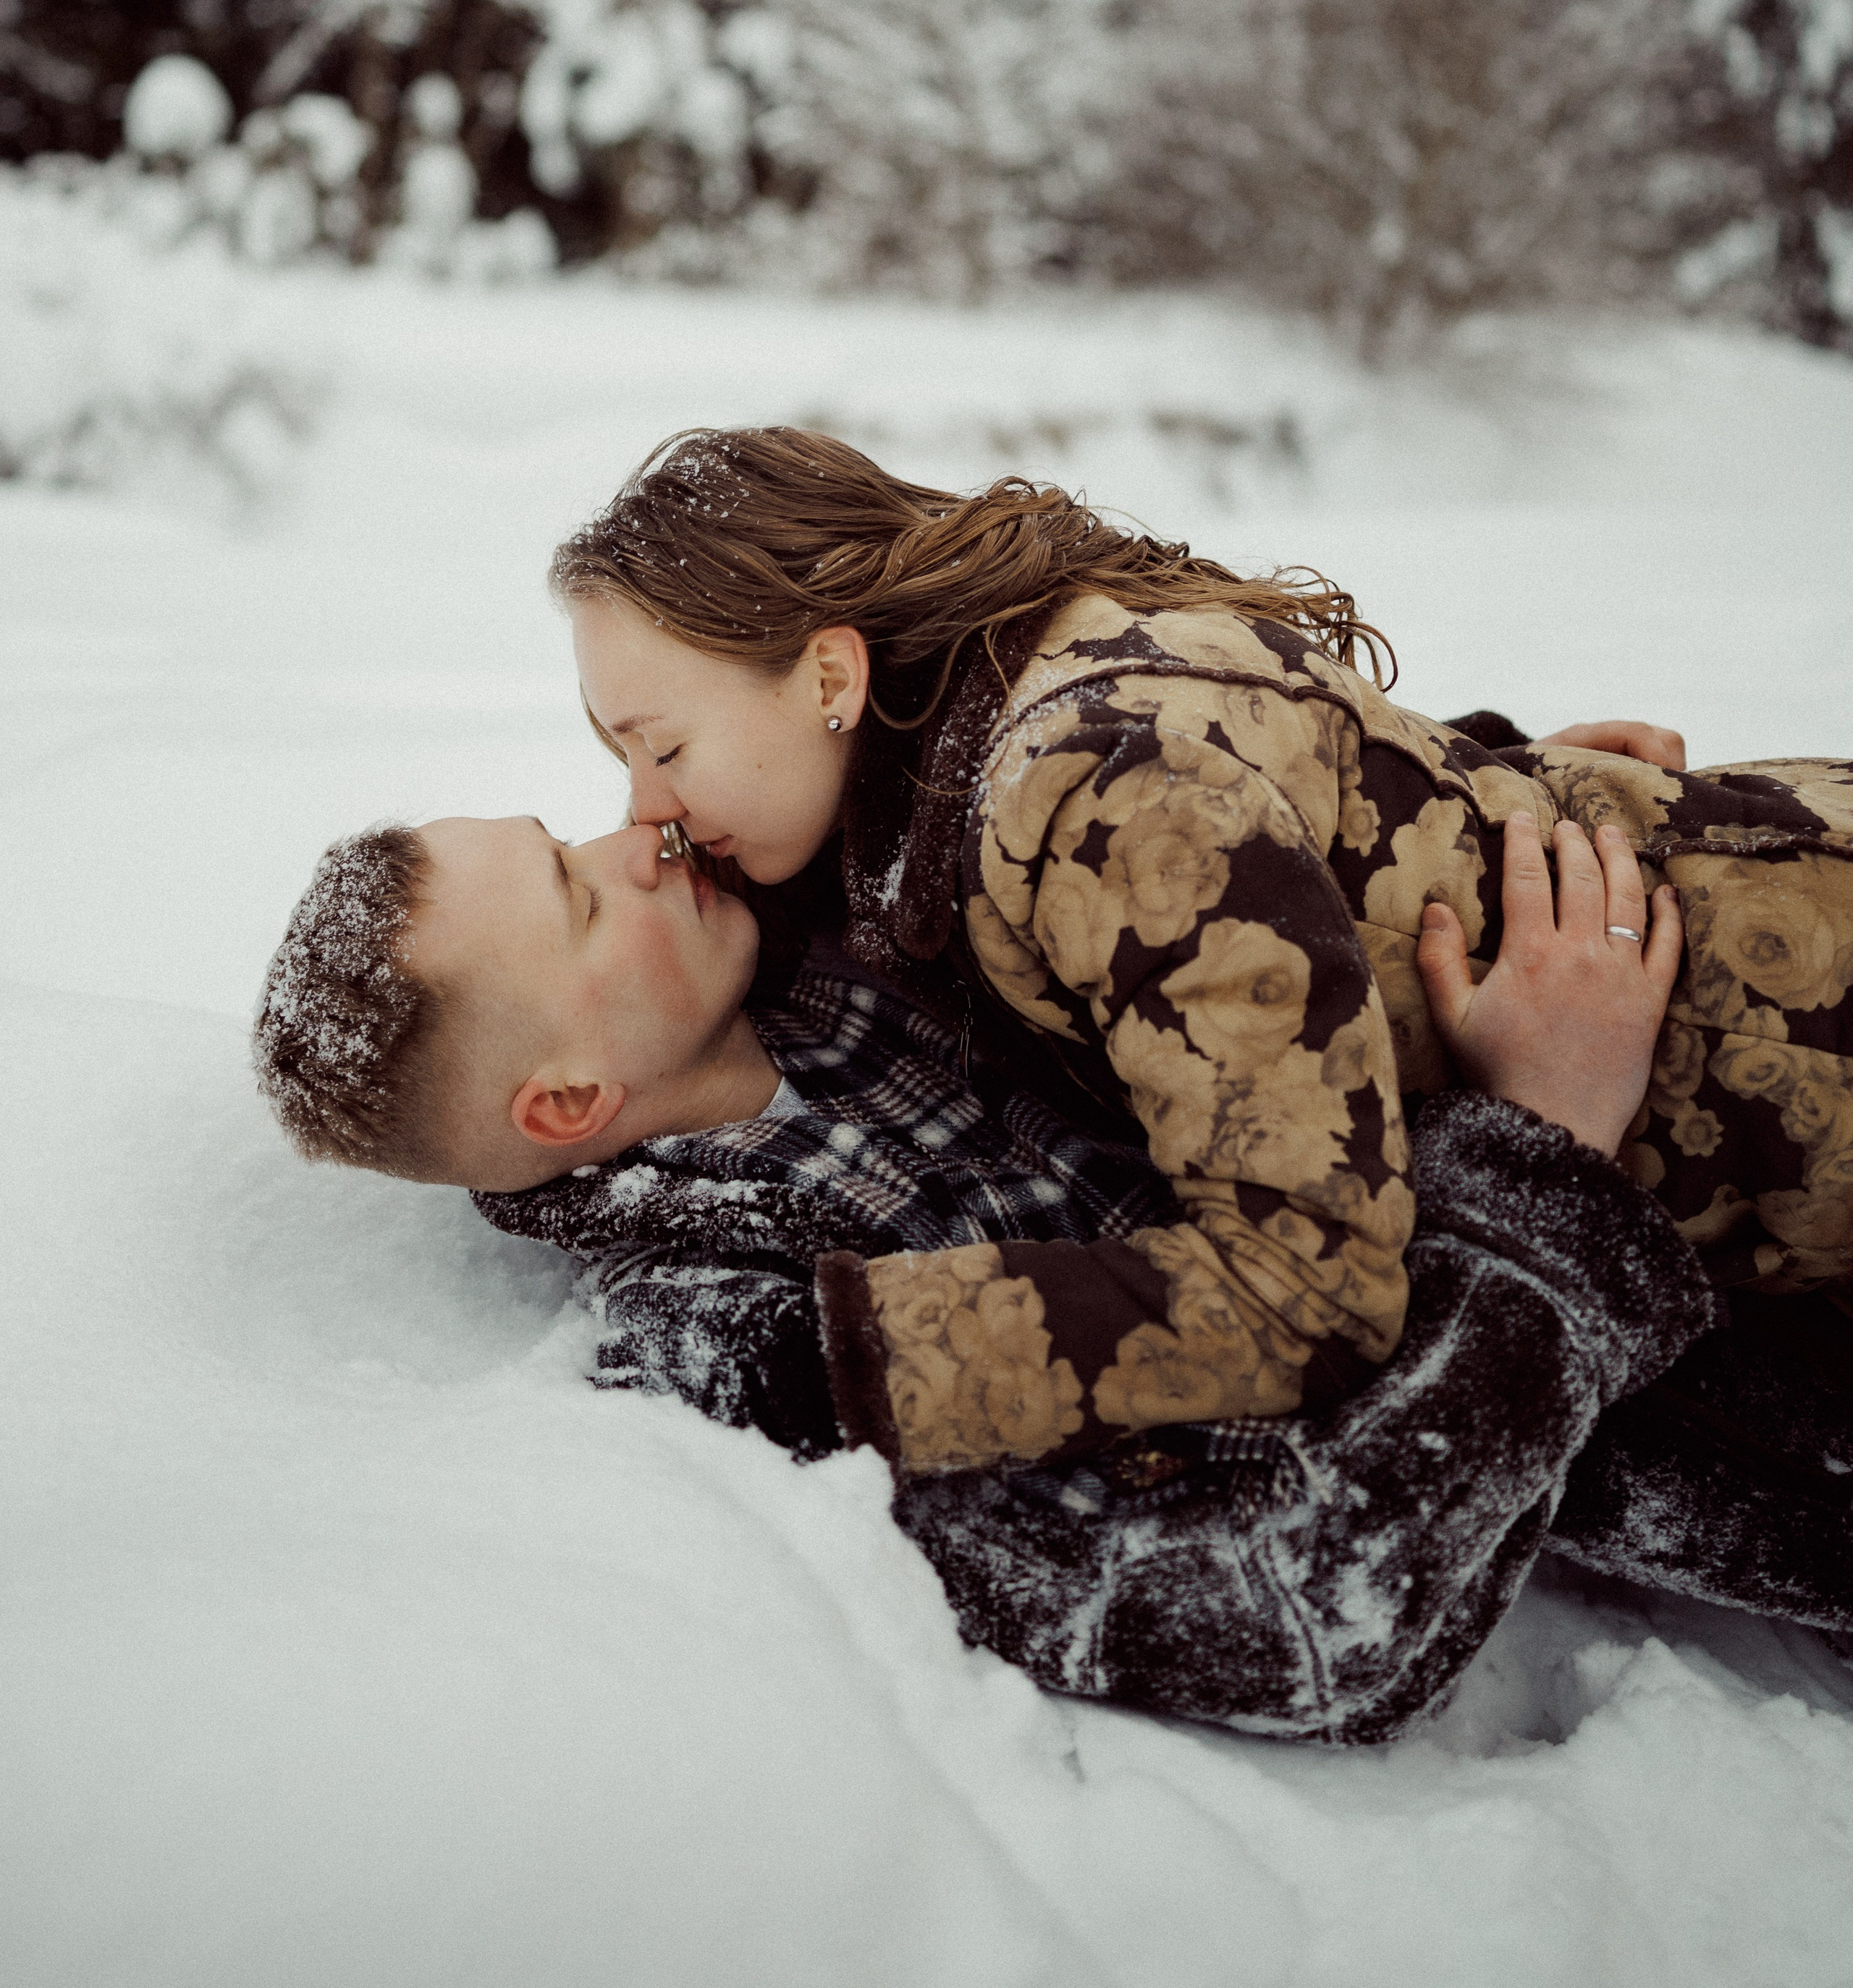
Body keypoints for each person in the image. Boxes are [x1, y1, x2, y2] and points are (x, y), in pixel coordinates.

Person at [251, 809, 1851, 1740]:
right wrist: (1539, 1152)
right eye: (579, 894)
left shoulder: (860, 906)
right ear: (564, 1105)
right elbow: (1297, 1613)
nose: (636, 835)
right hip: (1753, 1401)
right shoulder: (761, 1365)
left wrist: (1495, 819)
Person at [549, 427, 1853, 1480]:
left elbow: (1306, 1285)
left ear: (831, 676)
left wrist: (848, 1360)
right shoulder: (1030, 680)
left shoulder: (1085, 793)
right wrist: (1472, 783)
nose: (641, 813)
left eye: (660, 746)